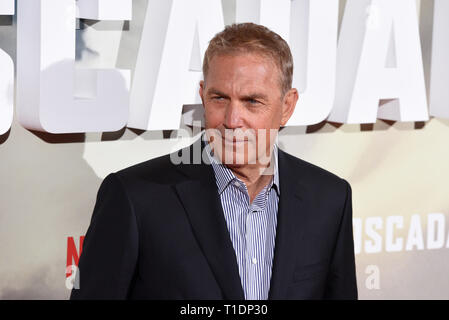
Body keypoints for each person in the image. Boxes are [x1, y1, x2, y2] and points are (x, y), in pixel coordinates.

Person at [70, 23, 357, 300]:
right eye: (219, 98)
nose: (232, 120)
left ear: (287, 107)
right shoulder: (135, 198)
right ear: (203, 96)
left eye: (252, 102)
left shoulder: (330, 198)